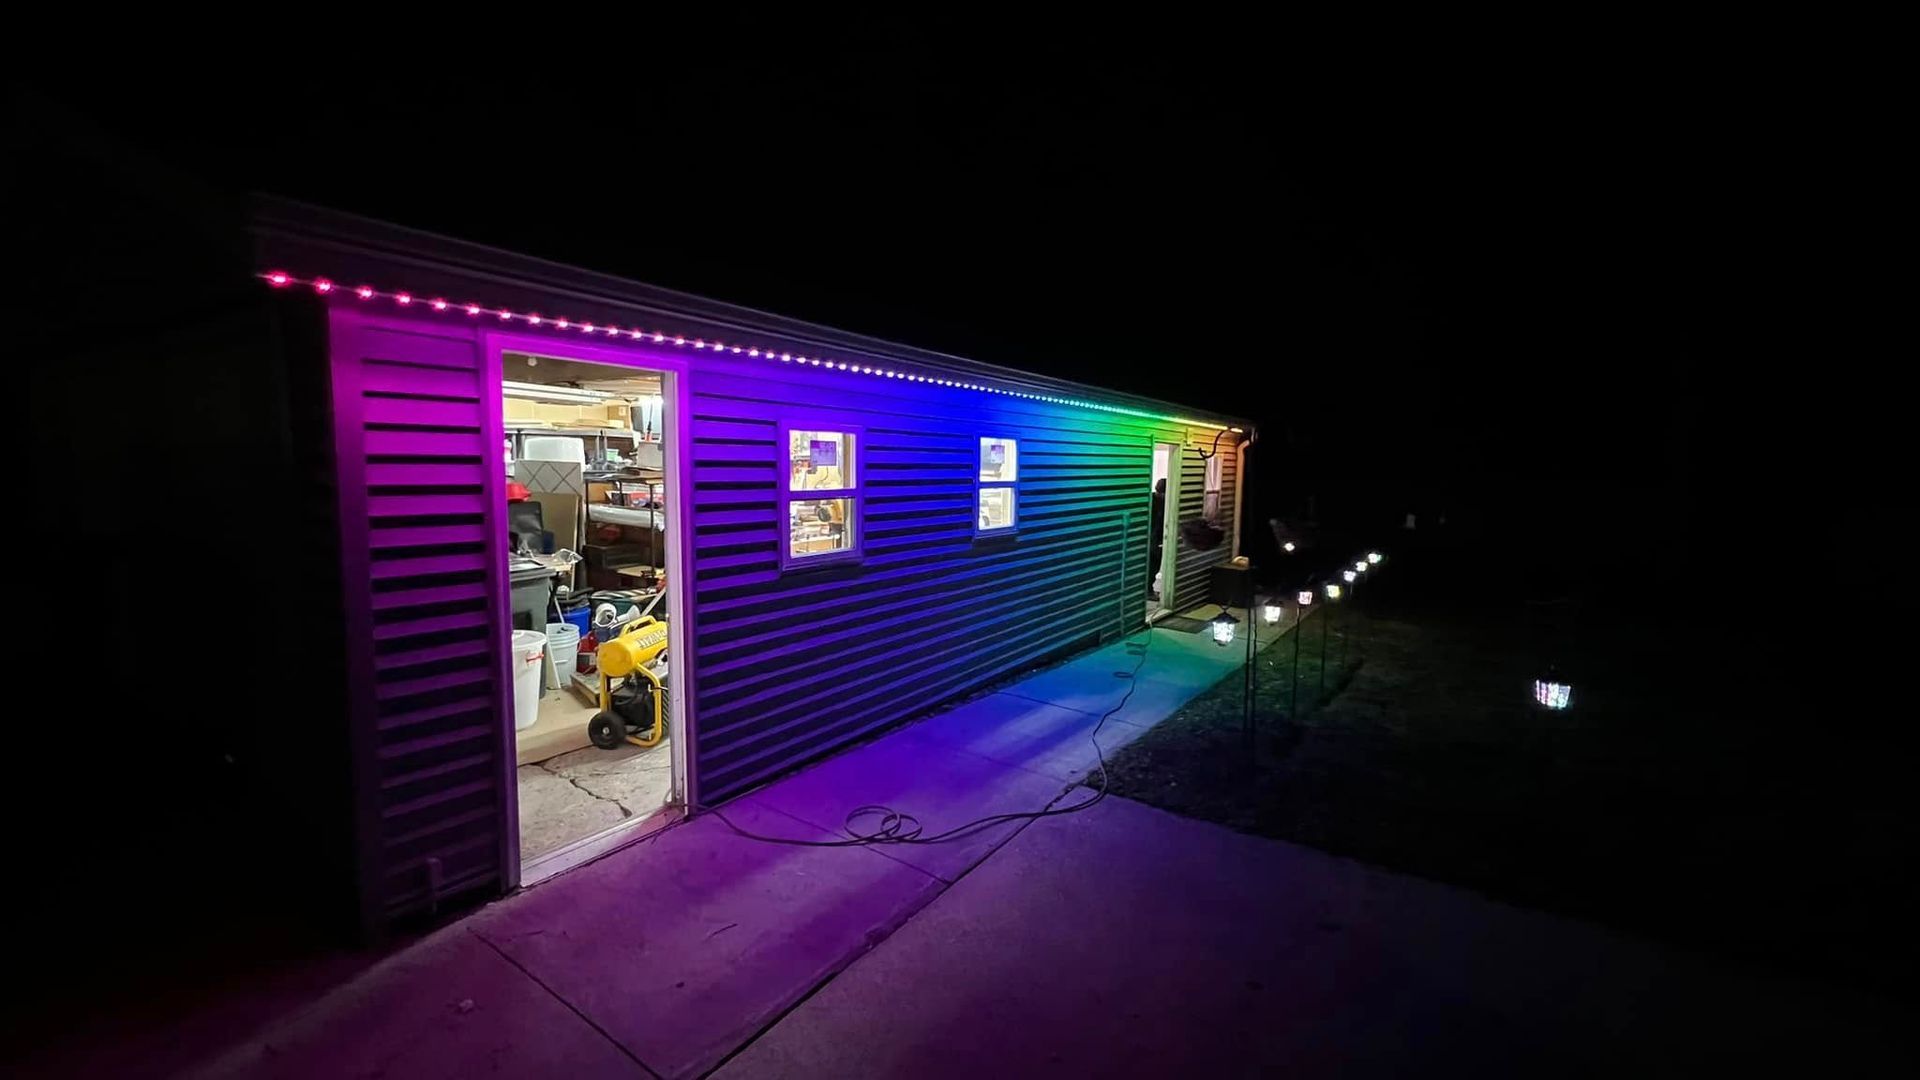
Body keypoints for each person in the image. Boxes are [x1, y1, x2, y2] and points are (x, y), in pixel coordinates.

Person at [1148, 478, 1167, 599]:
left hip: (1156, 536)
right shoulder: (1155, 501)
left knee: (1154, 563)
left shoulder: (1154, 499)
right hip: (1154, 537)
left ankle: (1149, 589)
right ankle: (1148, 590)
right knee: (1153, 564)